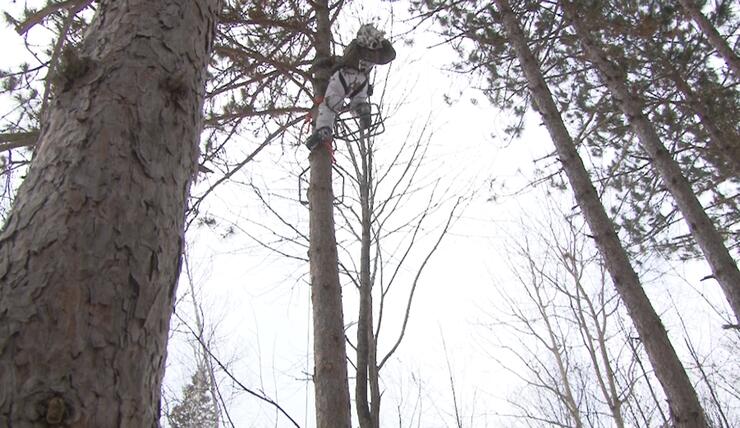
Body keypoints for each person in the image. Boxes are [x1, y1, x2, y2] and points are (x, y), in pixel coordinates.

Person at [305, 24, 396, 151]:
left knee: (330, 106)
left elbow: (340, 61)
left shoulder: (353, 50)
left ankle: (324, 129)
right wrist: (382, 43)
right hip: (361, 82)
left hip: (343, 76)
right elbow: (390, 55)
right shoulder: (375, 56)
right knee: (358, 101)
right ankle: (361, 109)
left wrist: (325, 64)